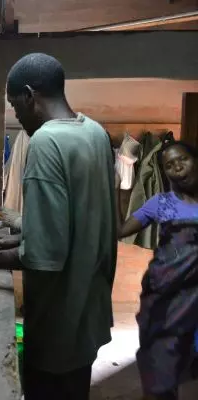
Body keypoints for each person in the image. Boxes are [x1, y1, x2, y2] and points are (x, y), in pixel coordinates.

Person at [0, 53, 117, 400]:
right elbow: (80, 216)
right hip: (89, 305)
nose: (16, 114)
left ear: (30, 95)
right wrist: (21, 233)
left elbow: (46, 253)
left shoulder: (46, 141)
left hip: (60, 312)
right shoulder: (95, 133)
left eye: (15, 105)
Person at [117, 140, 198, 400]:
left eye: (182, 159)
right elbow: (121, 230)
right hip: (163, 301)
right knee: (159, 375)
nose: (177, 168)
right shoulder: (160, 203)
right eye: (169, 165)